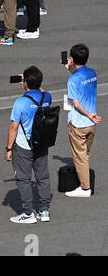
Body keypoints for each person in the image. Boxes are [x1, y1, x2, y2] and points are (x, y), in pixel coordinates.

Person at [5, 66, 52, 223]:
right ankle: (44, 210)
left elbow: (13, 127)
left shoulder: (20, 102)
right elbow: (42, 91)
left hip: (24, 145)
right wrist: (33, 83)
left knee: (23, 179)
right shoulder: (47, 97)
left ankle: (28, 213)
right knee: (43, 177)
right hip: (42, 142)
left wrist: (8, 148)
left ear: (25, 83)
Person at [63, 44, 102, 197]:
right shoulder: (92, 73)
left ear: (71, 59)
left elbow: (76, 103)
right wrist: (70, 69)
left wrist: (87, 114)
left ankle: (85, 188)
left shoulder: (73, 80)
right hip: (91, 123)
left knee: (79, 156)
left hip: (79, 123)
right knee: (85, 153)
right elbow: (80, 80)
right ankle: (84, 178)